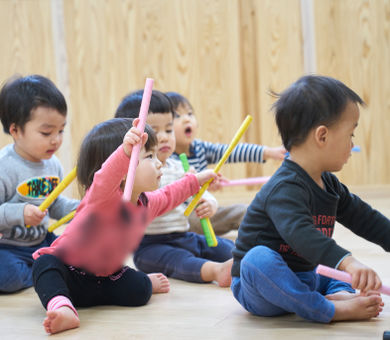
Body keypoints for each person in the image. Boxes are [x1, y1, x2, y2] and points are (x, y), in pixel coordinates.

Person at [32, 117, 222, 334]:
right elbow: (105, 176)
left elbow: (170, 195)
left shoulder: (145, 203)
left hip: (105, 279)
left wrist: (196, 180)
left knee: (139, 289)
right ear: (124, 171)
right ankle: (62, 306)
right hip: (69, 269)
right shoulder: (102, 197)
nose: (159, 162)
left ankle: (144, 284)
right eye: (149, 156)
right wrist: (123, 152)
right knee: (45, 265)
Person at [231, 75, 389, 323]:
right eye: (351, 135)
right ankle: (326, 309)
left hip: (304, 275)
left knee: (327, 270)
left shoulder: (328, 183)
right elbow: (301, 234)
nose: (352, 145)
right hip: (261, 288)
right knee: (256, 259)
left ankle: (337, 294)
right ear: (322, 136)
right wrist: (348, 262)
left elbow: (364, 217)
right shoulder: (284, 187)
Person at [0, 75, 79, 294]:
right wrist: (20, 213)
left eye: (61, 131)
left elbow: (54, 204)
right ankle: (43, 273)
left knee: (80, 258)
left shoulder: (52, 164)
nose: (56, 140)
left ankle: (43, 269)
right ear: (15, 131)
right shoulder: (0, 169)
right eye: (46, 132)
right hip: (1, 247)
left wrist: (79, 208)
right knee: (6, 278)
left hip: (39, 241)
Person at [115, 90, 233, 286]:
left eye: (169, 130)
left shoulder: (180, 167)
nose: (163, 138)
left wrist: (209, 203)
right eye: (153, 132)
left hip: (184, 235)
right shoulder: (134, 174)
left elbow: (201, 193)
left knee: (225, 247)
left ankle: (246, 259)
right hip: (151, 246)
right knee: (182, 262)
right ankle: (216, 271)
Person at [166, 91, 286, 235]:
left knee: (246, 211)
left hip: (206, 214)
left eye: (190, 114)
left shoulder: (199, 148)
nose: (186, 119)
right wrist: (200, 182)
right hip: (181, 220)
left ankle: (271, 237)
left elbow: (230, 151)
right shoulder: (166, 158)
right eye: (177, 116)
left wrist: (269, 152)